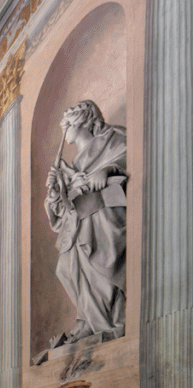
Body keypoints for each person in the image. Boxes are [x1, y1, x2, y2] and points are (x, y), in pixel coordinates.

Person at [45, 99, 127, 344]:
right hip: (79, 221)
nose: (64, 131)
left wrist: (108, 169)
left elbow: (131, 152)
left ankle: (105, 322)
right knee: (65, 268)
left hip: (102, 215)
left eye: (67, 125)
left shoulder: (110, 138)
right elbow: (62, 206)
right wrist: (56, 189)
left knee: (98, 262)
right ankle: (89, 320)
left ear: (80, 122)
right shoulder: (73, 164)